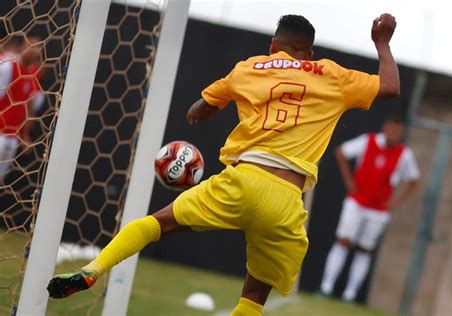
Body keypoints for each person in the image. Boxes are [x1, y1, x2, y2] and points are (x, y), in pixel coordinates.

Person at [47, 13, 399, 315]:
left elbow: (199, 109)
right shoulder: (330, 75)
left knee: (157, 224)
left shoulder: (249, 68)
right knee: (256, 295)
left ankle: (94, 268)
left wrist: (211, 108)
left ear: (274, 46)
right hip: (285, 199)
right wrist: (381, 41)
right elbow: (390, 88)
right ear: (309, 52)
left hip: (241, 181)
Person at [318, 114, 420, 302]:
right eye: (392, 128)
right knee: (343, 241)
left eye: (398, 131)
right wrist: (349, 181)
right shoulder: (368, 141)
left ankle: (350, 294)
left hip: (379, 209)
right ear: (385, 126)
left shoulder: (404, 155)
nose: (394, 133)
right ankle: (326, 287)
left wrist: (396, 201)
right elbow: (341, 152)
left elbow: (414, 179)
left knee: (365, 249)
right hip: (356, 202)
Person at [0, 34, 43, 184]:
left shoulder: (32, 77)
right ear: (22, 47)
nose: (34, 51)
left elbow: (28, 110)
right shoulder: (8, 67)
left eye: (38, 47)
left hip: (12, 138)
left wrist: (25, 136)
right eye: (31, 46)